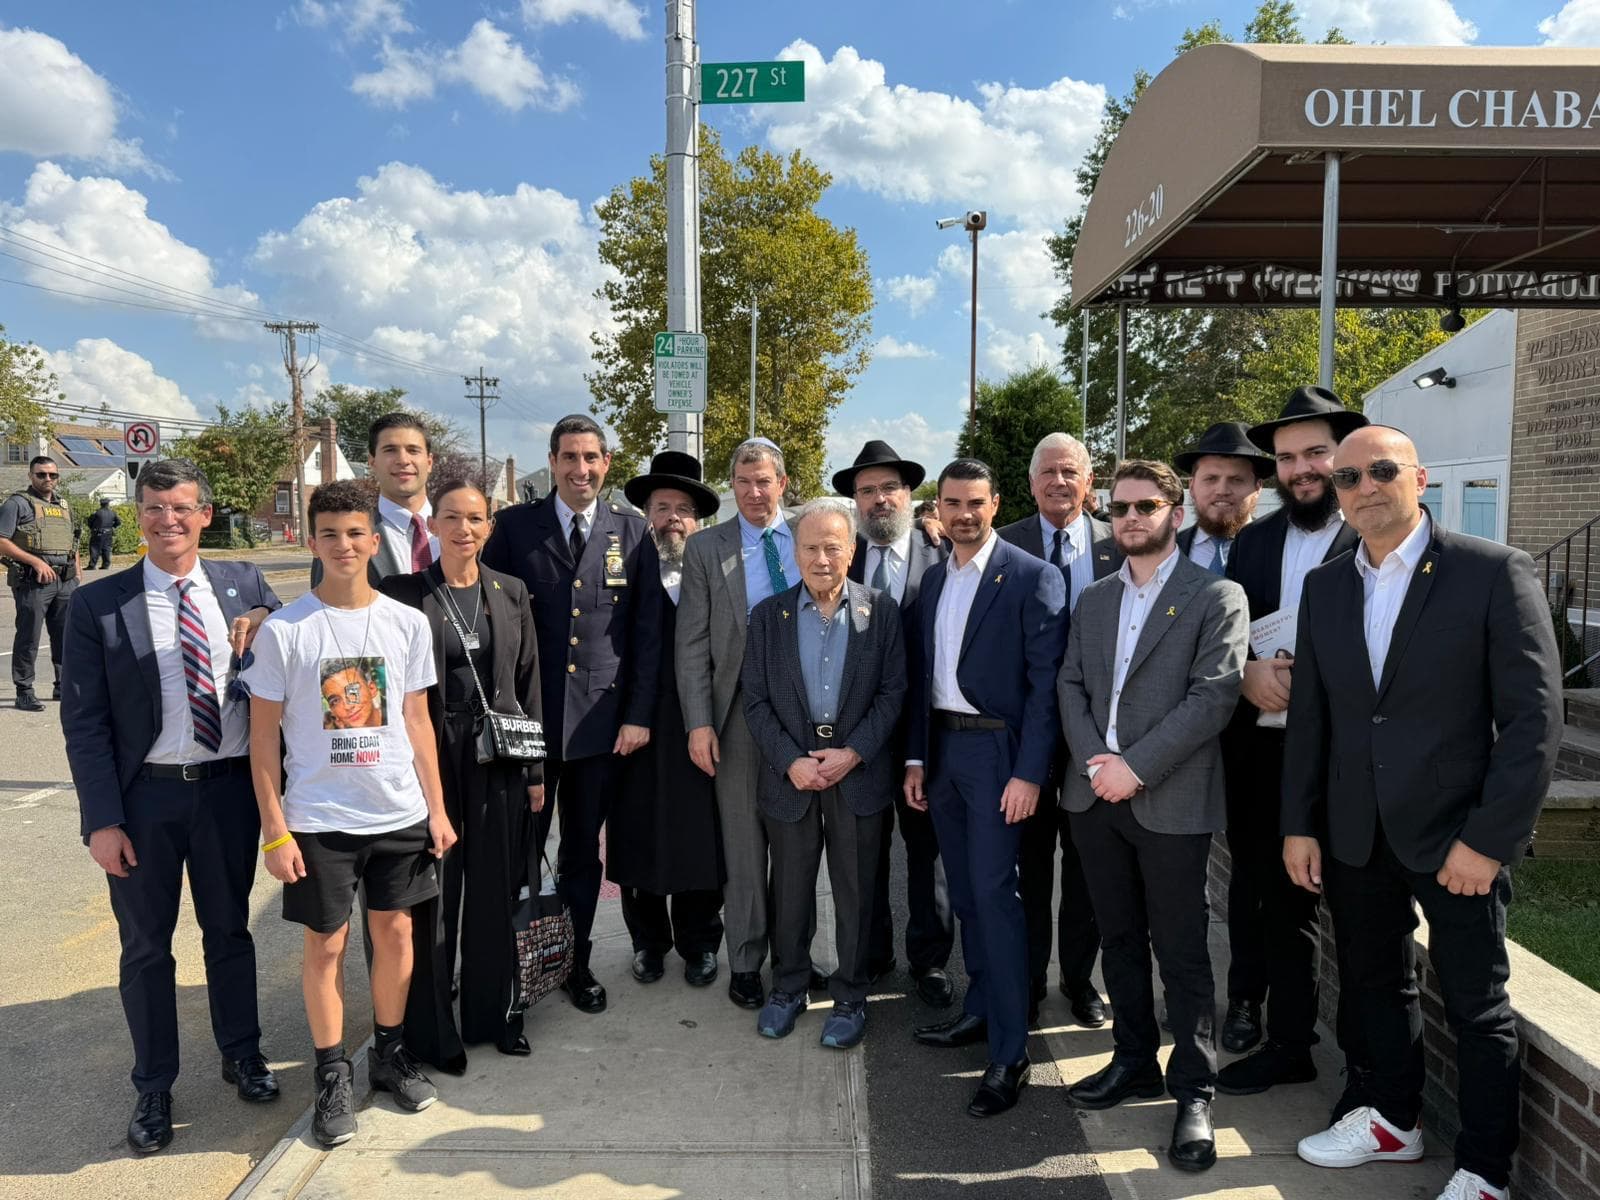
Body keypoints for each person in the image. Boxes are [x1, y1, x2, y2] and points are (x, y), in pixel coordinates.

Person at [1284, 425, 1562, 1200]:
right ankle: (1392, 1121)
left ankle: (1484, 1170)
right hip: (1353, 832)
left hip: (1457, 838)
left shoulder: (1491, 572)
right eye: (1347, 478)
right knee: (1378, 986)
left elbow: (1535, 722)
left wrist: (1489, 839)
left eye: (1380, 470)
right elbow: (1314, 716)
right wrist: (1299, 823)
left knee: (1477, 1006)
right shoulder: (1328, 585)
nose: (1364, 487)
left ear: (1419, 477)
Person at [61, 458, 281, 1155]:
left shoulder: (240, 582)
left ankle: (242, 1054)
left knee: (230, 933)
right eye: (154, 508)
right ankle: (154, 1083)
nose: (168, 521)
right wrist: (101, 820)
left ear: (204, 515)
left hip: (226, 792)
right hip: (145, 799)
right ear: (138, 515)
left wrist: (265, 613)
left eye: (182, 507)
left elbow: (288, 625)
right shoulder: (99, 604)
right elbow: (85, 721)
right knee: (147, 948)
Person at [246, 479, 457, 1149]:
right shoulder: (285, 631)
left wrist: (438, 809)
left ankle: (388, 1055)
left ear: (374, 540)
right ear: (313, 541)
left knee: (396, 936)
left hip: (398, 812)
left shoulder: (407, 623)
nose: (344, 544)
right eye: (330, 533)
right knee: (327, 945)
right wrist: (275, 831)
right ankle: (332, 1073)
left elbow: (419, 722)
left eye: (355, 532)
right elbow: (261, 745)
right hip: (317, 820)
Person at [1056, 458, 1249, 1174]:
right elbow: (1069, 683)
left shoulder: (1216, 596)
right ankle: (1132, 1059)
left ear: (1175, 511)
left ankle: (1194, 1089)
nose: (1130, 517)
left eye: (1145, 505)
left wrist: (1133, 768)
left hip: (1168, 799)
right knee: (1119, 938)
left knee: (1183, 948)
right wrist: (1095, 764)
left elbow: (1214, 698)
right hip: (1093, 796)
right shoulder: (1096, 599)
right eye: (1119, 508)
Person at [1214, 387, 1367, 1100]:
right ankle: (1290, 1043)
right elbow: (1230, 636)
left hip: (1350, 761)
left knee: (1364, 915)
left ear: (1344, 453)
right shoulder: (1255, 540)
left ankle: (1369, 1075)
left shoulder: (1376, 532)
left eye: (1315, 452)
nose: (1301, 469)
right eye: (1286, 458)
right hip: (1265, 755)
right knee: (1274, 900)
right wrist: (1245, 674)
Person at [480, 414, 660, 1016]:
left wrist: (637, 716)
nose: (580, 470)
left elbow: (645, 634)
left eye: (592, 458)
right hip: (529, 725)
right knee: (519, 853)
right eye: (569, 458)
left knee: (583, 853)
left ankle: (575, 963)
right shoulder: (512, 529)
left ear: (607, 463)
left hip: (598, 730)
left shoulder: (632, 533)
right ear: (552, 462)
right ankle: (513, 967)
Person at [905, 458, 1067, 1118]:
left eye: (975, 502)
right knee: (966, 895)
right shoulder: (934, 579)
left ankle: (1010, 1051)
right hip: (942, 752)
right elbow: (922, 679)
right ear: (937, 507)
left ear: (996, 503)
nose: (963, 513)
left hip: (1000, 754)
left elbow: (1046, 688)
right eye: (952, 503)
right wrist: (916, 760)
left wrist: (1030, 772)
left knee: (998, 898)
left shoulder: (1033, 577)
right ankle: (977, 1010)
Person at [379, 479, 544, 1055]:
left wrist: (535, 773)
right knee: (436, 894)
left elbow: (528, 682)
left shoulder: (512, 590)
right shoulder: (403, 592)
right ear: (432, 525)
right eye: (451, 517)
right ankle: (433, 1030)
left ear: (489, 527)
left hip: (498, 755)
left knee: (497, 888)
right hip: (430, 751)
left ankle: (494, 1015)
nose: (464, 529)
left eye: (475, 518)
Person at [743, 499, 906, 1048]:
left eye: (832, 546)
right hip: (791, 771)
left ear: (851, 550)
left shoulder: (881, 612)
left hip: (855, 772)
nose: (821, 557)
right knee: (789, 888)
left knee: (857, 891)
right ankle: (788, 987)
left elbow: (893, 693)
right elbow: (756, 701)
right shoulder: (768, 617)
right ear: (795, 552)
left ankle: (851, 996)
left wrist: (853, 752)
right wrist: (790, 759)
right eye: (810, 547)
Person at [678, 437, 802, 1011]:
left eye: (765, 480)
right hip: (737, 719)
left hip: (809, 716)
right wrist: (699, 722)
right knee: (745, 848)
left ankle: (795, 958)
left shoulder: (811, 532)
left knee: (801, 846)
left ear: (783, 483)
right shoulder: (707, 549)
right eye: (744, 482)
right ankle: (747, 961)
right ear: (733, 487)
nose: (755, 492)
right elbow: (692, 643)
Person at [997, 432, 1113, 1030]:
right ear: (1032, 482)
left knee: (1090, 871)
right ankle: (1030, 979)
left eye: (1070, 471)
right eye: (1048, 472)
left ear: (1088, 481)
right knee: (1031, 868)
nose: (1059, 482)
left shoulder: (1119, 546)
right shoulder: (1005, 546)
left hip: (1098, 740)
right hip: (1028, 739)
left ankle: (1078, 979)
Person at [838, 439, 955, 1009]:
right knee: (866, 849)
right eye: (867, 491)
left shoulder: (945, 554)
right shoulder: (842, 559)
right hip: (857, 735)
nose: (879, 499)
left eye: (889, 488)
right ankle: (872, 952)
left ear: (910, 495)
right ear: (855, 502)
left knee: (926, 850)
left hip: (927, 735)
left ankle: (929, 960)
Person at [609, 452, 726, 987]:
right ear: (646, 514)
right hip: (638, 724)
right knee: (640, 838)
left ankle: (701, 943)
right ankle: (648, 944)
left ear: (697, 519)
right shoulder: (625, 566)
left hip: (701, 722)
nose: (672, 518)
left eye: (683, 508)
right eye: (662, 508)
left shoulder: (716, 569)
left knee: (699, 838)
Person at [310, 412, 437, 585]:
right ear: (372, 461)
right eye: (390, 450)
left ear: (429, 462)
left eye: (413, 450)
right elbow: (326, 607)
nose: (403, 460)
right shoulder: (343, 535)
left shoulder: (465, 531)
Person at [1, 455, 80, 710]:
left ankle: (63, 686)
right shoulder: (17, 504)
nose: (48, 479)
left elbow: (73, 541)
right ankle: (24, 690)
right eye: (41, 474)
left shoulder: (64, 505)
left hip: (65, 581)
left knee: (65, 635)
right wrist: (35, 562)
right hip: (33, 581)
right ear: (30, 476)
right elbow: (1, 540)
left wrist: (77, 572)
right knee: (29, 636)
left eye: (52, 475)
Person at [1173, 422, 1271, 570]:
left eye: (1236, 480)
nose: (1222, 490)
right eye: (1211, 479)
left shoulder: (1277, 549)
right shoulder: (1168, 552)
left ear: (1258, 488)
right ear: (1191, 487)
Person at [87, 496, 120, 570]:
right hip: (108, 534)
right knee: (106, 549)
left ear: (101, 504)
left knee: (95, 549)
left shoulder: (97, 513)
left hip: (97, 533)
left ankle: (92, 565)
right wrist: (112, 526)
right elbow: (118, 522)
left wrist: (93, 528)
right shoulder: (112, 513)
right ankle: (106, 565)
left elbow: (89, 522)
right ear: (108, 504)